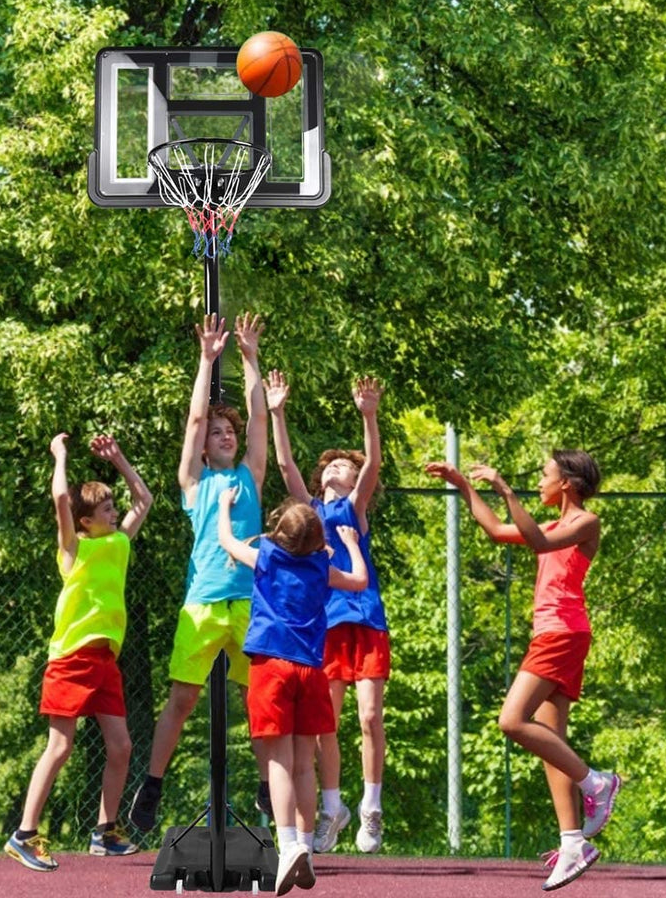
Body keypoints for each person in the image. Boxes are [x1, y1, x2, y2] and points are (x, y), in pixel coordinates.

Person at [424, 451, 621, 892]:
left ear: (567, 483)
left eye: (545, 475)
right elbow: (496, 530)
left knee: (511, 721)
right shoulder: (551, 525)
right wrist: (464, 485)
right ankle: (573, 843)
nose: (540, 482)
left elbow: (538, 543)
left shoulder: (584, 523)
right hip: (554, 635)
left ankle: (597, 782)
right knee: (553, 743)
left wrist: (506, 489)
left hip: (562, 633)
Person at [129, 312, 271, 832]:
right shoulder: (195, 483)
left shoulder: (251, 477)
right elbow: (191, 422)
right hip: (204, 600)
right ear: (205, 446)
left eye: (228, 430)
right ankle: (153, 784)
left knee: (258, 696)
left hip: (251, 601)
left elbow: (259, 421)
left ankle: (264, 789)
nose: (226, 436)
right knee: (183, 698)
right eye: (217, 432)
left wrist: (251, 359)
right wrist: (206, 360)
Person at [5, 433, 153, 872]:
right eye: (106, 508)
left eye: (112, 506)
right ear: (86, 521)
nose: (114, 510)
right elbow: (59, 499)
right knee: (61, 746)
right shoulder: (74, 550)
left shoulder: (120, 543)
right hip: (71, 658)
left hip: (105, 659)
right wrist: (61, 456)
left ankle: (105, 832)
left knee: (121, 745)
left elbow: (143, 499)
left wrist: (120, 457)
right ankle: (25, 833)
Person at [217, 491, 368, 895]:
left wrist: (224, 509)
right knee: (305, 764)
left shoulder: (266, 555)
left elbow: (228, 543)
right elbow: (359, 581)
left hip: (272, 668)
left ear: (279, 532)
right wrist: (351, 545)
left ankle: (286, 847)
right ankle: (305, 845)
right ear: (318, 540)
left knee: (278, 764)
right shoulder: (322, 566)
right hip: (312, 672)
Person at [265, 370, 388, 854]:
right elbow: (283, 460)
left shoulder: (354, 508)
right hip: (326, 623)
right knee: (324, 725)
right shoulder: (311, 511)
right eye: (332, 463)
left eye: (344, 464)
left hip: (366, 617)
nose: (337, 466)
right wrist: (277, 412)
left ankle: (371, 808)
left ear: (356, 480)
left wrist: (369, 416)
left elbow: (373, 458)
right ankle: (332, 808)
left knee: (370, 715)